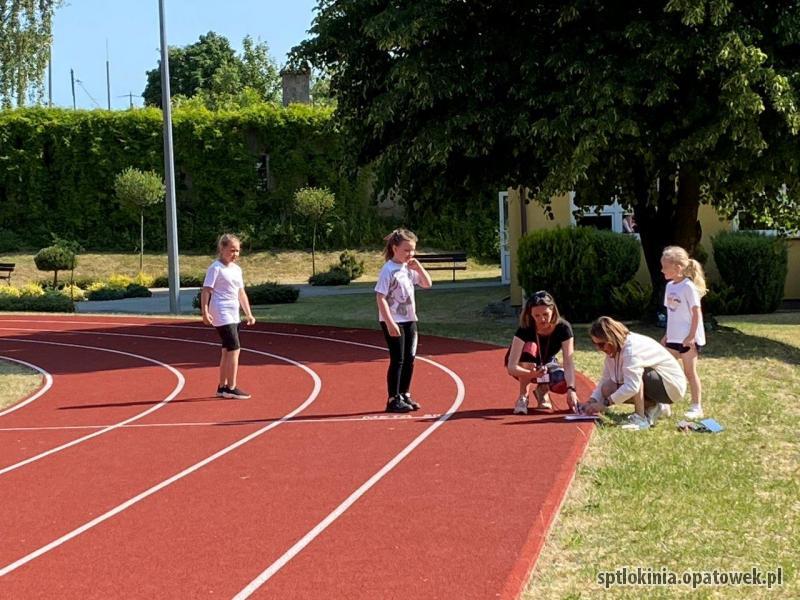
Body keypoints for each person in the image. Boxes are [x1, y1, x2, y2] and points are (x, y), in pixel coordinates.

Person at [579, 316, 687, 430]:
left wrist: (605, 404)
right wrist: (592, 401)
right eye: (594, 343)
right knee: (607, 388)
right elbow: (605, 379)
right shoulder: (614, 349)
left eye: (601, 344)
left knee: (635, 376)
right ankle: (655, 406)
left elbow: (632, 386)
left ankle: (640, 419)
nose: (598, 348)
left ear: (611, 339)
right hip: (659, 383)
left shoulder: (631, 350)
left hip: (672, 386)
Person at [375, 228, 432, 413]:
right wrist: (390, 322)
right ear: (394, 248)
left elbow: (427, 284)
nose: (410, 254)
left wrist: (419, 267)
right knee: (397, 359)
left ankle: (405, 394)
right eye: (406, 250)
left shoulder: (408, 268)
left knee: (410, 359)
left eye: (413, 250)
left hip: (409, 319)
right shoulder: (388, 270)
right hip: (394, 320)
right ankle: (393, 398)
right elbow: (380, 297)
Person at [505, 290, 579, 415]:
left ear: (553, 311)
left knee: (562, 381)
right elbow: (512, 367)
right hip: (524, 365)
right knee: (531, 346)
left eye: (545, 314)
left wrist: (571, 390)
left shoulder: (564, 328)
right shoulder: (525, 329)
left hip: (546, 362)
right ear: (530, 314)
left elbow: (568, 362)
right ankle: (523, 396)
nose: (542, 319)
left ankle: (542, 390)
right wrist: (531, 373)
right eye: (537, 316)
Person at [201, 233, 256, 400]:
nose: (235, 254)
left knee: (227, 349)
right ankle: (231, 387)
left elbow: (241, 292)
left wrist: (248, 313)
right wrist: (204, 311)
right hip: (220, 311)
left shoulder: (237, 270)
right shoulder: (215, 268)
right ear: (222, 248)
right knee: (235, 348)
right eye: (232, 250)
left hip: (234, 313)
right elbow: (206, 290)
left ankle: (222, 386)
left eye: (238, 251)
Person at [660, 245, 707, 419]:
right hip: (673, 337)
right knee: (666, 370)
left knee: (689, 373)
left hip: (688, 340)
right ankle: (664, 404)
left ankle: (696, 406)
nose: (662, 269)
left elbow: (696, 313)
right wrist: (666, 335)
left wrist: (691, 336)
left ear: (677, 267)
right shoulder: (669, 286)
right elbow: (671, 314)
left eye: (665, 266)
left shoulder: (688, 287)